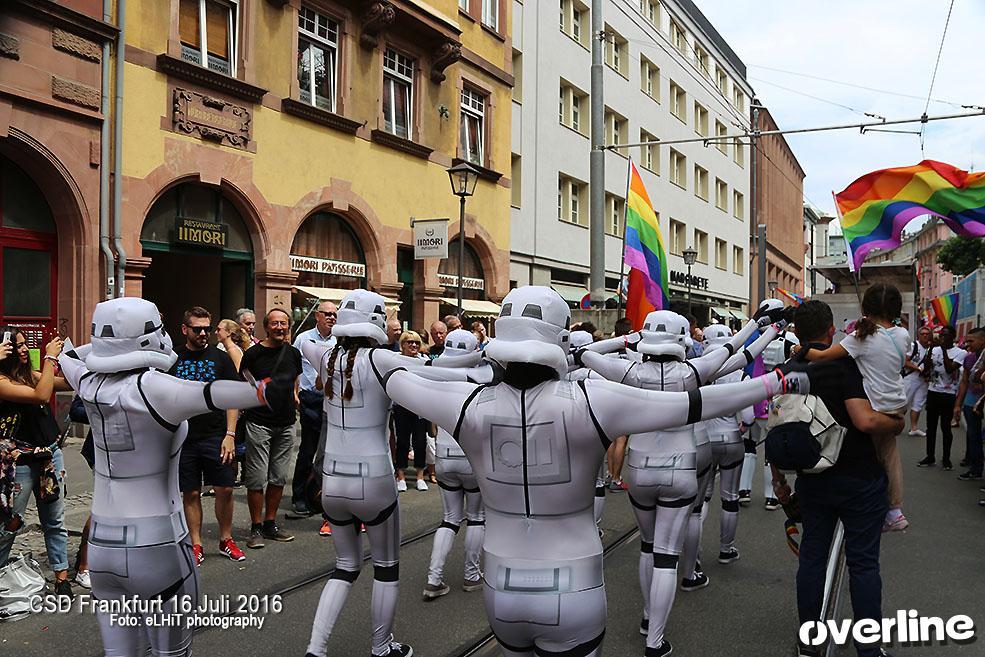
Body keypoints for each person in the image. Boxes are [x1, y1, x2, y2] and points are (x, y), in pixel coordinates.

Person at [381, 285, 807, 657]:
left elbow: (393, 373)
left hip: (502, 587)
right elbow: (692, 404)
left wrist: (474, 356)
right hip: (574, 584)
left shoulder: (469, 403)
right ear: (559, 337)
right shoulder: (590, 398)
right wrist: (779, 382)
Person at [57, 297, 283, 657]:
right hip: (156, 543)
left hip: (102, 545)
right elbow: (229, 393)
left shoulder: (88, 382)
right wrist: (267, 384)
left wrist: (106, 344)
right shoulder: (155, 388)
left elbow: (68, 354)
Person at [578, 307, 782, 656]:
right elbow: (733, 352)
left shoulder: (628, 370)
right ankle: (655, 640)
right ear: (681, 337)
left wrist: (629, 339)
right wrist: (762, 327)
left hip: (640, 466)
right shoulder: (692, 371)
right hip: (682, 464)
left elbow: (584, 353)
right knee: (666, 558)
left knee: (647, 545)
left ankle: (646, 617)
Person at [298, 289, 486, 657]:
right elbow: (432, 368)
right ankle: (381, 648)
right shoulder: (382, 358)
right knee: (385, 568)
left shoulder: (325, 355)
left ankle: (315, 650)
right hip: (373, 480)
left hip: (332, 481)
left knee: (344, 567)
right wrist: (481, 360)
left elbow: (305, 345)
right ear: (378, 322)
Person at [772, 299, 904, 657]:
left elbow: (778, 423)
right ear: (831, 331)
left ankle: (809, 641)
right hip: (859, 477)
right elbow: (864, 421)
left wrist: (778, 480)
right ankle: (868, 649)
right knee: (863, 563)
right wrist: (896, 422)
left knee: (812, 556)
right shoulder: (845, 365)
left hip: (812, 478)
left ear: (796, 332)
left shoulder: (788, 367)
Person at [797, 284, 911, 532]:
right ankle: (894, 509)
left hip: (876, 405)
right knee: (888, 455)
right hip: (897, 402)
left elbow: (823, 356)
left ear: (865, 308)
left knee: (875, 456)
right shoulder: (902, 335)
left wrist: (800, 350)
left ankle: (891, 509)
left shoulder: (863, 336)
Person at [0, 329, 73, 599]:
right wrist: (49, 358)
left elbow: (64, 383)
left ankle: (61, 578)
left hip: (49, 456)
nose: (23, 350)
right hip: (19, 463)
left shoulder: (28, 375)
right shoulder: (2, 381)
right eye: (15, 346)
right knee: (10, 522)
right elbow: (42, 395)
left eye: (24, 345)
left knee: (54, 520)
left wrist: (69, 358)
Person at [169, 307, 245, 565]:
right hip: (183, 437)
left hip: (216, 435)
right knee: (190, 492)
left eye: (206, 328)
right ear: (184, 329)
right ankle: (196, 544)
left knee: (224, 487)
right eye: (197, 329)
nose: (203, 333)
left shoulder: (220, 358)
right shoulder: (173, 358)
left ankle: (226, 539)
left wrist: (230, 434)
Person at [422, 328, 486, 600]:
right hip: (471, 458)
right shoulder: (480, 378)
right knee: (476, 518)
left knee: (449, 520)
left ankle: (434, 578)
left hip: (445, 456)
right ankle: (472, 575)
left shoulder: (437, 375)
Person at [239, 308, 303, 548]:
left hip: (286, 423)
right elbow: (244, 381)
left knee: (278, 477)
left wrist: (295, 394)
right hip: (259, 423)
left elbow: (295, 378)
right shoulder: (253, 354)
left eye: (283, 324)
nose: (279, 327)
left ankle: (270, 524)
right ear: (266, 327)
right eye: (275, 324)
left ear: (288, 327)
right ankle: (255, 528)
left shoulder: (293, 353)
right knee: (256, 479)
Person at [292, 301, 337, 521]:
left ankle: (322, 495)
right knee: (308, 449)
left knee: (329, 451)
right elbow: (295, 368)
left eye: (334, 314)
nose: (331, 317)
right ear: (317, 316)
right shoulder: (303, 338)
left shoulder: (340, 340)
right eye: (327, 314)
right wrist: (295, 393)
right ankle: (299, 497)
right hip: (310, 398)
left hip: (333, 401)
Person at [918, 325, 966, 470]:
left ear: (953, 337)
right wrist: (930, 351)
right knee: (930, 427)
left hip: (949, 394)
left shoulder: (960, 352)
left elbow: (950, 369)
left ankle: (946, 459)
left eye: (945, 335)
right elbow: (926, 370)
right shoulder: (934, 350)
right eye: (941, 335)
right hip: (933, 392)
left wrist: (943, 350)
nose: (942, 338)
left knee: (946, 428)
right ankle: (930, 456)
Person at [391, 331, 430, 492]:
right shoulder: (395, 360)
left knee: (421, 442)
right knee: (402, 442)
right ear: (403, 345)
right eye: (409, 342)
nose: (413, 345)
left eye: (416, 343)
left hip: (420, 407)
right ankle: (401, 476)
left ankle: (420, 476)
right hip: (401, 406)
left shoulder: (425, 361)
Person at [955, 327, 985, 480]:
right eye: (967, 341)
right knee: (973, 436)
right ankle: (976, 469)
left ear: (983, 340)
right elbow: (964, 382)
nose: (968, 344)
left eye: (971, 341)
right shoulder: (968, 358)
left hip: (982, 402)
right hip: (970, 401)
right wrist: (958, 405)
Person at [903, 326, 932, 436]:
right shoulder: (913, 346)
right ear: (918, 335)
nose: (925, 335)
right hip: (911, 378)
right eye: (923, 333)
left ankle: (914, 428)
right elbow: (905, 362)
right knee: (904, 403)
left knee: (918, 403)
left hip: (923, 380)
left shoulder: (931, 348)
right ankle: (894, 425)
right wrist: (918, 369)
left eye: (927, 333)